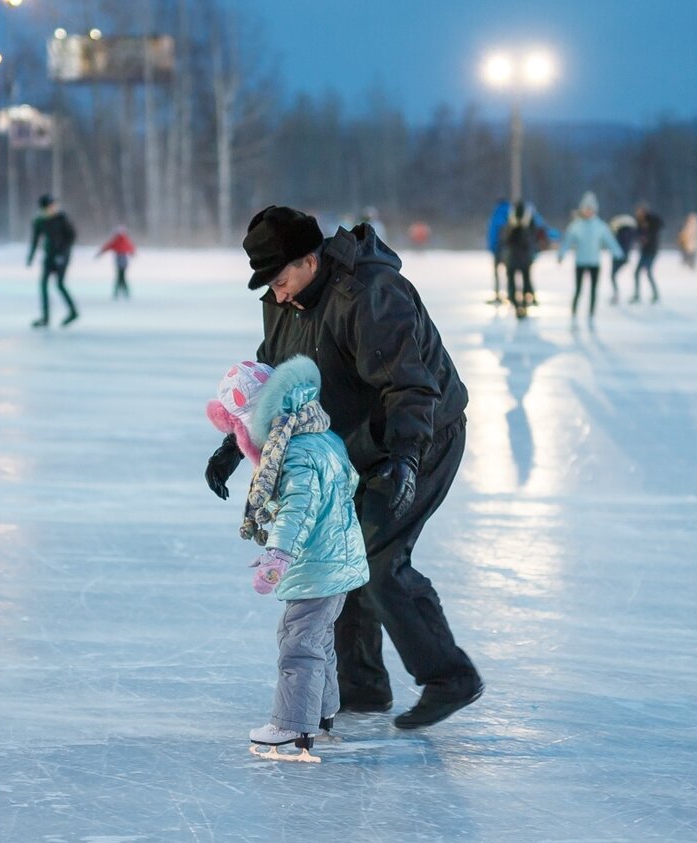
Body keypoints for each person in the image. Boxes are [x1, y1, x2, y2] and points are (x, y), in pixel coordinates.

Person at [204, 205, 482, 730]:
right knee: (337, 556)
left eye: (281, 279)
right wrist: (234, 441)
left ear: (310, 259)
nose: (277, 294)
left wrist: (404, 458)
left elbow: (411, 386)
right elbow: (275, 374)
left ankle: (450, 676)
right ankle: (363, 686)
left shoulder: (372, 295)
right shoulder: (282, 300)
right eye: (269, 285)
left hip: (420, 434)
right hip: (352, 444)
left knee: (377, 560)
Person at [206, 356, 369, 760]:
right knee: (318, 638)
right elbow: (348, 482)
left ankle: (294, 725)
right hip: (336, 554)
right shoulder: (320, 434)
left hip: (316, 561)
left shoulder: (295, 452)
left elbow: (298, 507)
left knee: (298, 642)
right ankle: (323, 709)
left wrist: (277, 555)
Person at [558, 191, 623, 323]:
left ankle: (591, 313)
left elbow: (610, 241)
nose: (588, 211)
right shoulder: (576, 226)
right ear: (582, 209)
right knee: (578, 289)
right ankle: (574, 312)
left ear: (595, 210)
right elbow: (567, 241)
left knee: (593, 289)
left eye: (591, 209)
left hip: (594, 262)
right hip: (580, 262)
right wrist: (561, 254)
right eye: (586, 209)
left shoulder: (600, 226)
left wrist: (618, 253)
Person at [26, 194, 78, 327]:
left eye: (53, 206)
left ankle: (73, 312)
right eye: (49, 207)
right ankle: (45, 317)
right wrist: (31, 256)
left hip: (62, 255)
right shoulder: (40, 221)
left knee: (59, 284)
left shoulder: (62, 218)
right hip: (49, 255)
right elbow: (35, 239)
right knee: (43, 285)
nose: (53, 208)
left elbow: (71, 237)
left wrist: (62, 254)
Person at [501, 200, 540, 319]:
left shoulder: (514, 221)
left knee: (520, 282)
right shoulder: (515, 221)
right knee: (521, 282)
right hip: (519, 258)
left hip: (517, 257)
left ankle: (521, 304)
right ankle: (520, 304)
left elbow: (505, 239)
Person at [632, 203, 663, 304]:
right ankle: (637, 295)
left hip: (652, 250)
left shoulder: (652, 220)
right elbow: (637, 234)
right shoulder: (639, 222)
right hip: (644, 251)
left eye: (641, 211)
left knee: (648, 272)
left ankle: (655, 294)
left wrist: (649, 219)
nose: (639, 213)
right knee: (636, 273)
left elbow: (661, 224)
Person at [96, 225, 136, 299]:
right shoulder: (125, 240)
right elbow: (131, 248)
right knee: (122, 276)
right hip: (123, 260)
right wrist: (133, 253)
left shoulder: (117, 240)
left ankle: (118, 292)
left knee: (120, 276)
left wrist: (100, 253)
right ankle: (123, 292)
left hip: (120, 259)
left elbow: (107, 247)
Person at [608, 214, 637, 305]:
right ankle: (616, 294)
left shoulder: (621, 233)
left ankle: (616, 294)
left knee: (613, 276)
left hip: (619, 257)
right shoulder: (629, 233)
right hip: (622, 257)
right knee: (613, 276)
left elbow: (618, 244)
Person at [486, 198, 510, 304]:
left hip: (498, 249)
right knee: (509, 273)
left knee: (497, 273)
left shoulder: (496, 215)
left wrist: (492, 247)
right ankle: (510, 293)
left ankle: (497, 294)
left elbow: (492, 233)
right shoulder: (509, 214)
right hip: (507, 249)